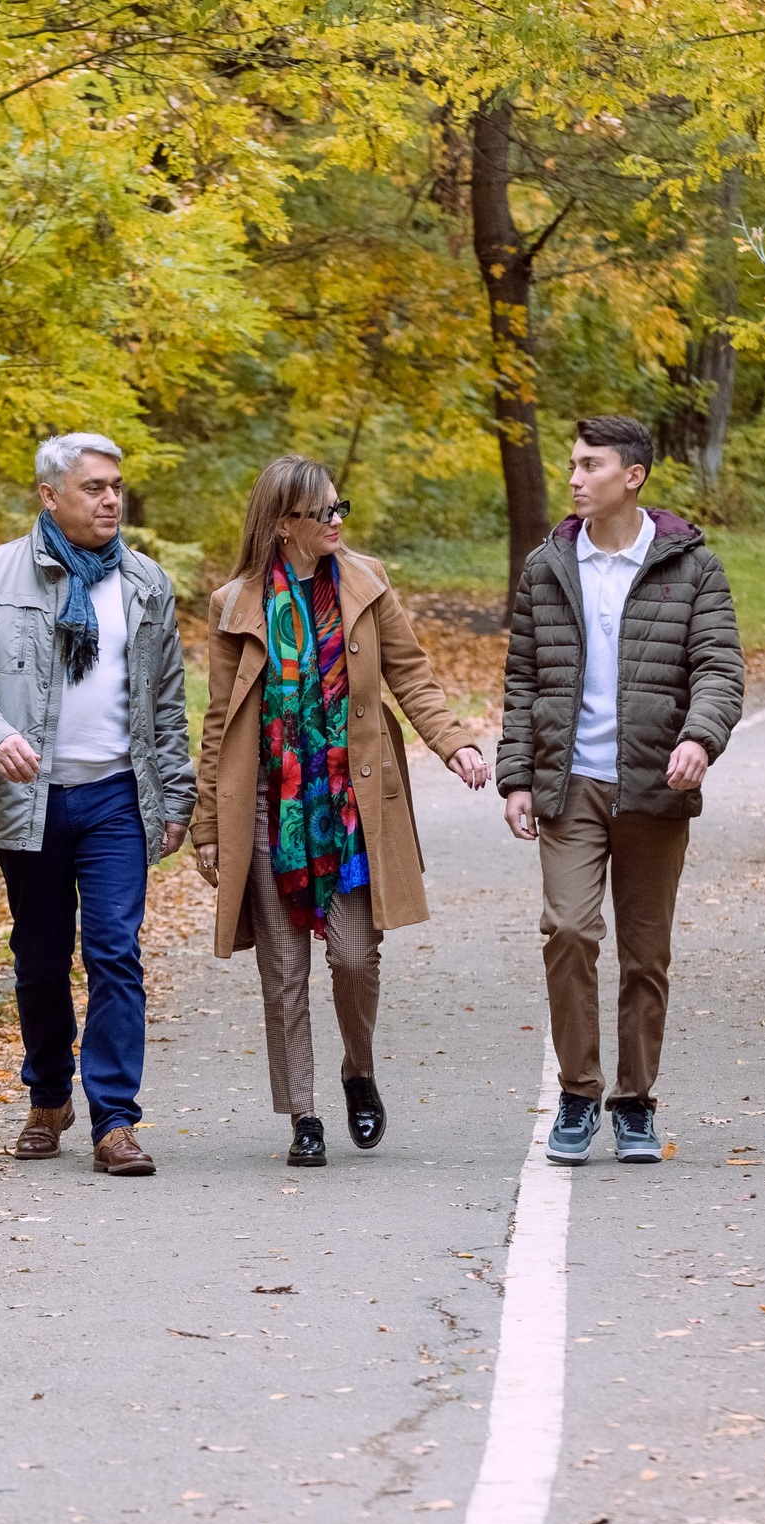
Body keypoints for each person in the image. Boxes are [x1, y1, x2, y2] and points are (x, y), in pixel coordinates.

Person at [191, 455, 492, 1167]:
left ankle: (359, 1069)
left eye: (338, 508)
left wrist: (456, 745)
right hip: (269, 810)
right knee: (283, 971)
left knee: (354, 957)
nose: (337, 521)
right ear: (283, 521)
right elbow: (217, 721)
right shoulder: (234, 603)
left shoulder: (368, 582)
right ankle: (303, 1115)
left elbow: (412, 677)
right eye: (324, 511)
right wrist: (207, 823)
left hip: (350, 806)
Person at [0, 432, 193, 1177]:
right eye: (94, 487)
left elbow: (167, 700)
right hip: (29, 799)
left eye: (116, 486)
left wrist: (176, 796)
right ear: (50, 496)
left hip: (116, 795)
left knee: (115, 949)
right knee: (41, 958)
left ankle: (115, 1120)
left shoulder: (145, 583)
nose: (111, 499)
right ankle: (48, 1095)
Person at [500, 414, 744, 1166]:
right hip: (569, 784)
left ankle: (634, 1102)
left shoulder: (691, 566)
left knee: (646, 955)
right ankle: (578, 1095)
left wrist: (699, 738)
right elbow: (523, 679)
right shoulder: (548, 565)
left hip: (653, 785)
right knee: (568, 930)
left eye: (590, 465)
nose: (574, 477)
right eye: (572, 464)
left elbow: (719, 669)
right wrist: (516, 777)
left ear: (632, 476)